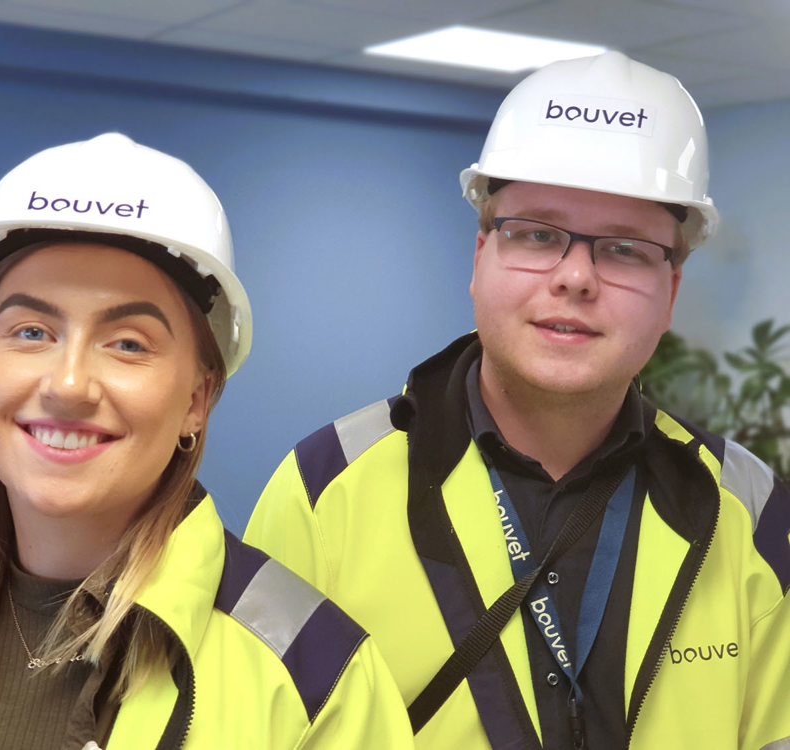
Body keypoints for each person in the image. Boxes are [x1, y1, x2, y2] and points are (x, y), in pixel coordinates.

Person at [0, 133, 412, 750]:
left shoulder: (314, 680)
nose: (68, 384)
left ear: (196, 399)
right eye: (31, 331)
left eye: (128, 344)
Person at [244, 51, 790, 749]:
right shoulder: (326, 489)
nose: (575, 278)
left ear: (671, 294)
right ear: (479, 259)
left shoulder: (749, 512)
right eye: (536, 234)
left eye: (624, 249)